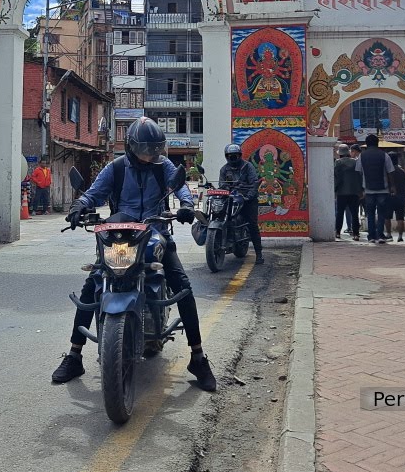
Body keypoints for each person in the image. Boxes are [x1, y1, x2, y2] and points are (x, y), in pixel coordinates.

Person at [52, 116, 217, 392]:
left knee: (183, 287)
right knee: (91, 285)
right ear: (130, 147)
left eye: (155, 149)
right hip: (119, 233)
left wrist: (187, 206)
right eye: (145, 149)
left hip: (154, 232)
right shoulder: (115, 169)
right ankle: (74, 355)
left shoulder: (163, 166)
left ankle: (198, 357)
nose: (151, 155)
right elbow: (92, 193)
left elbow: (182, 189)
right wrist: (79, 205)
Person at [219, 143, 263, 264]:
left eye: (235, 155)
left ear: (240, 155)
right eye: (230, 156)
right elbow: (221, 184)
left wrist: (249, 196)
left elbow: (254, 182)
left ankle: (259, 254)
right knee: (220, 214)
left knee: (253, 225)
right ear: (226, 156)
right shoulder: (224, 169)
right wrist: (224, 189)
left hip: (247, 199)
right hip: (231, 198)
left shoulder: (248, 167)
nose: (233, 158)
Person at [355, 134, 393, 243]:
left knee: (370, 213)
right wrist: (392, 186)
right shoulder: (384, 155)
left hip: (368, 189)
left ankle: (371, 236)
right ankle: (380, 235)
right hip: (383, 189)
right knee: (381, 213)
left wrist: (359, 189)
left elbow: (358, 172)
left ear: (367, 143)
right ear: (377, 143)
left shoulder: (362, 156)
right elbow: (390, 172)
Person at [333, 145, 362, 241]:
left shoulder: (338, 163)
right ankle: (356, 234)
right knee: (354, 213)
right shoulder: (356, 162)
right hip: (354, 191)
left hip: (341, 192)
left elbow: (336, 177)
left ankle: (337, 232)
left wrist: (335, 189)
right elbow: (360, 176)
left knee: (339, 213)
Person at [387, 154, 405, 242]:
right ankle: (400, 236)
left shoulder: (387, 171)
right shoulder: (402, 171)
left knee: (387, 217)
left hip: (389, 196)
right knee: (400, 218)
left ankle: (389, 234)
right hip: (400, 196)